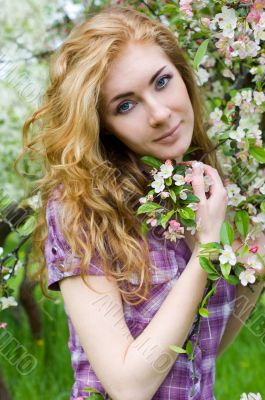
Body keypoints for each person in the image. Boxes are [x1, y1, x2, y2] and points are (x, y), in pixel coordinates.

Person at [21, 4, 265, 400]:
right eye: (125, 105)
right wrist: (207, 251)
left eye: (162, 81)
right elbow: (129, 386)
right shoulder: (79, 207)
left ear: (183, 76)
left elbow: (200, 351)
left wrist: (253, 275)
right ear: (103, 126)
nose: (159, 113)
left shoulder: (193, 184)